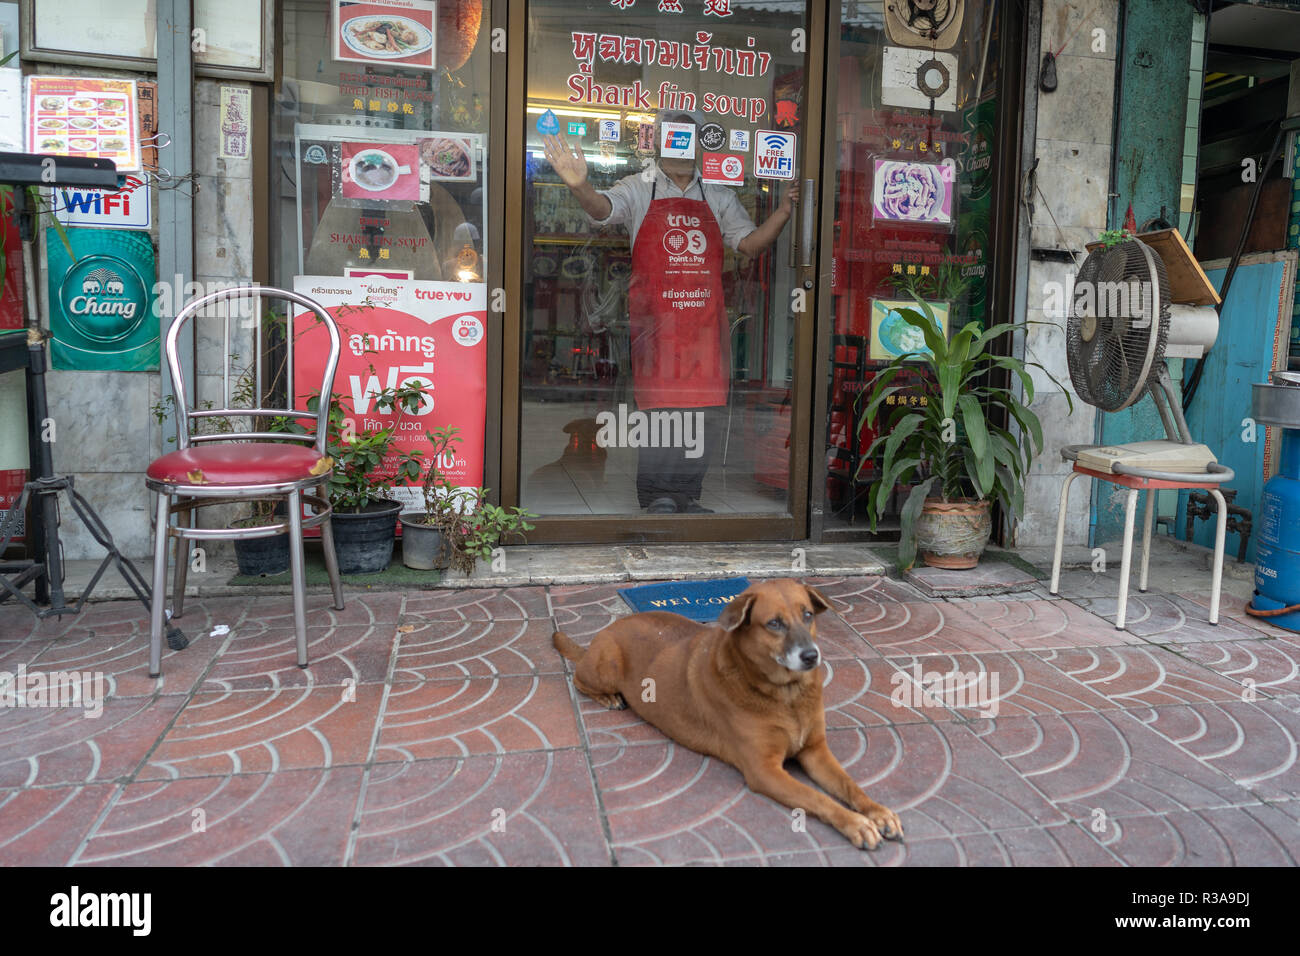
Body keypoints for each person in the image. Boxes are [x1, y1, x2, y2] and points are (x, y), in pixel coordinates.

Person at [540, 111, 794, 514]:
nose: (678, 144)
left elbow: (748, 245)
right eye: (671, 136)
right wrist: (579, 185)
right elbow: (603, 209)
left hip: (704, 327)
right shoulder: (639, 188)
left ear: (697, 143)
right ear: (658, 141)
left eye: (686, 137)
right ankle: (657, 495)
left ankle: (688, 494)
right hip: (656, 326)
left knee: (704, 413)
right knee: (660, 412)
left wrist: (782, 212)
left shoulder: (718, 194)